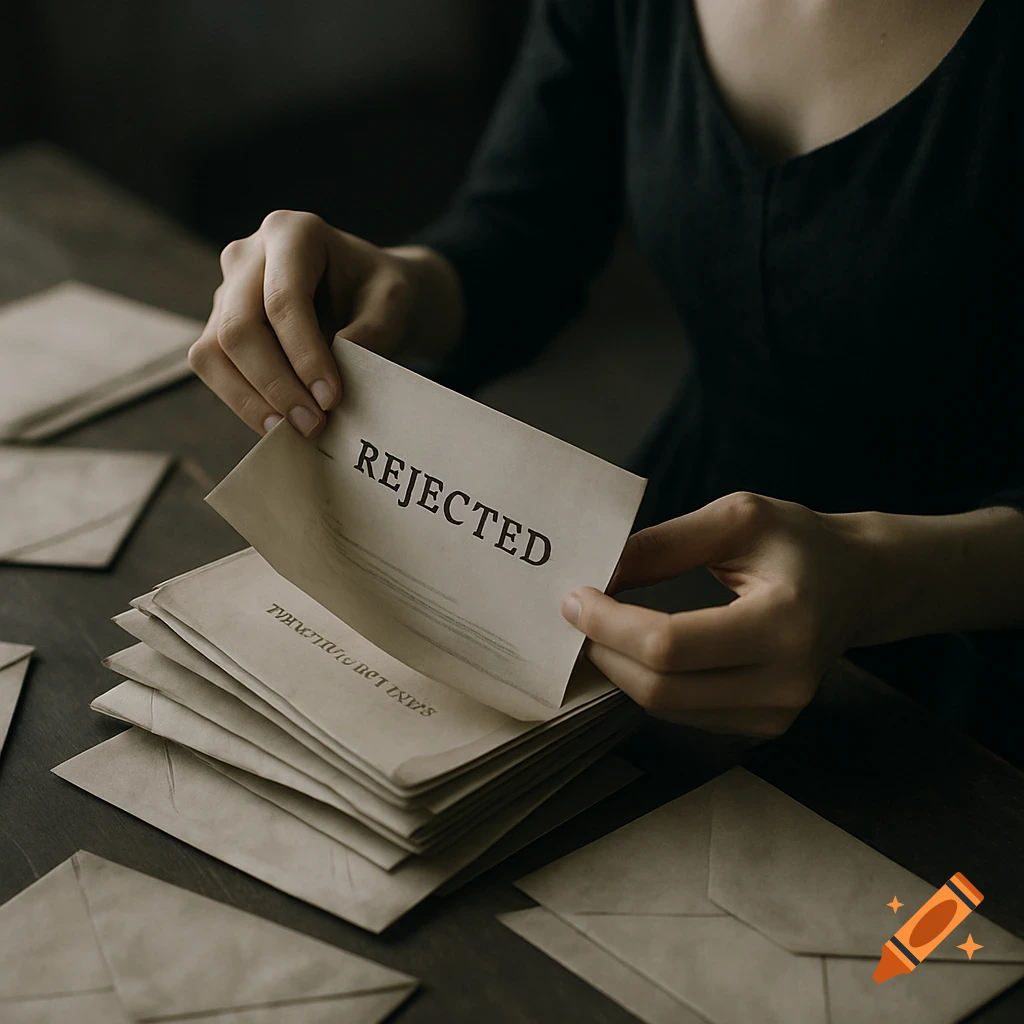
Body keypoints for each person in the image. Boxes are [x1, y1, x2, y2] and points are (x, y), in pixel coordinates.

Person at [187, 0, 1024, 760]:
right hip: (668, 586)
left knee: (919, 936)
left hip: (981, 668)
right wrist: (398, 286)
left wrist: (887, 581)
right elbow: (529, 226)